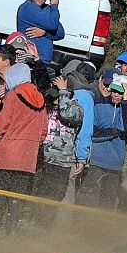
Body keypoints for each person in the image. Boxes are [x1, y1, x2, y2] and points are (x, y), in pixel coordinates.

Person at [0, 63, 47, 231]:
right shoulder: (41, 100)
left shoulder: (12, 96)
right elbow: (43, 132)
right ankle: (10, 236)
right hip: (27, 160)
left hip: (4, 157)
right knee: (16, 202)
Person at [78, 74, 127, 209]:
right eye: (114, 90)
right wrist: (114, 133)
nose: (115, 94)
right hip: (95, 161)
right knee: (87, 200)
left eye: (120, 92)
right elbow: (93, 132)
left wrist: (125, 100)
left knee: (107, 203)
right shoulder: (99, 104)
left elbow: (124, 127)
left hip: (115, 164)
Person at [38, 75, 83, 203]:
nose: (55, 99)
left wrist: (63, 91)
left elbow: (66, 115)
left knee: (53, 200)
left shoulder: (77, 109)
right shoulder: (47, 107)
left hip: (61, 162)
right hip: (42, 160)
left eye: (58, 95)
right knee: (37, 197)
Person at [16, 0, 63, 66]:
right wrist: (54, 6)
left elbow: (61, 33)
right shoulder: (27, 8)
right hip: (29, 59)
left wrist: (45, 33)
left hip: (43, 61)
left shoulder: (47, 9)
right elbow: (53, 24)